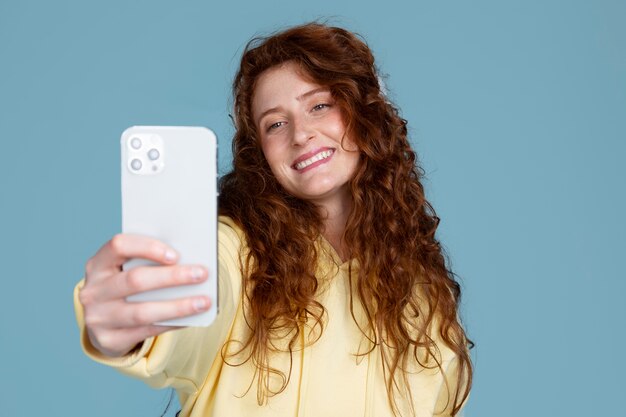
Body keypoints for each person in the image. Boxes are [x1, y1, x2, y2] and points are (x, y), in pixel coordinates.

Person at [74, 22, 473, 417]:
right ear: (259, 151)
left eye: (319, 106)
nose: (300, 134)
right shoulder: (236, 251)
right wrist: (129, 325)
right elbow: (199, 304)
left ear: (366, 114)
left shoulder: (422, 292)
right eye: (275, 124)